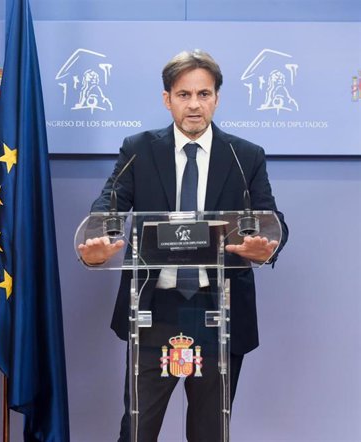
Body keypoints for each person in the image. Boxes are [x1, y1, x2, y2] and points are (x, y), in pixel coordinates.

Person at [78, 49, 288, 441]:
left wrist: (267, 247)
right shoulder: (139, 149)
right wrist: (98, 240)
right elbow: (109, 206)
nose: (194, 105)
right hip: (154, 308)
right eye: (184, 95)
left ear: (217, 98)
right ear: (167, 98)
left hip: (219, 309)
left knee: (210, 432)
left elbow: (273, 222)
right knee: (138, 429)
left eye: (204, 94)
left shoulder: (245, 156)